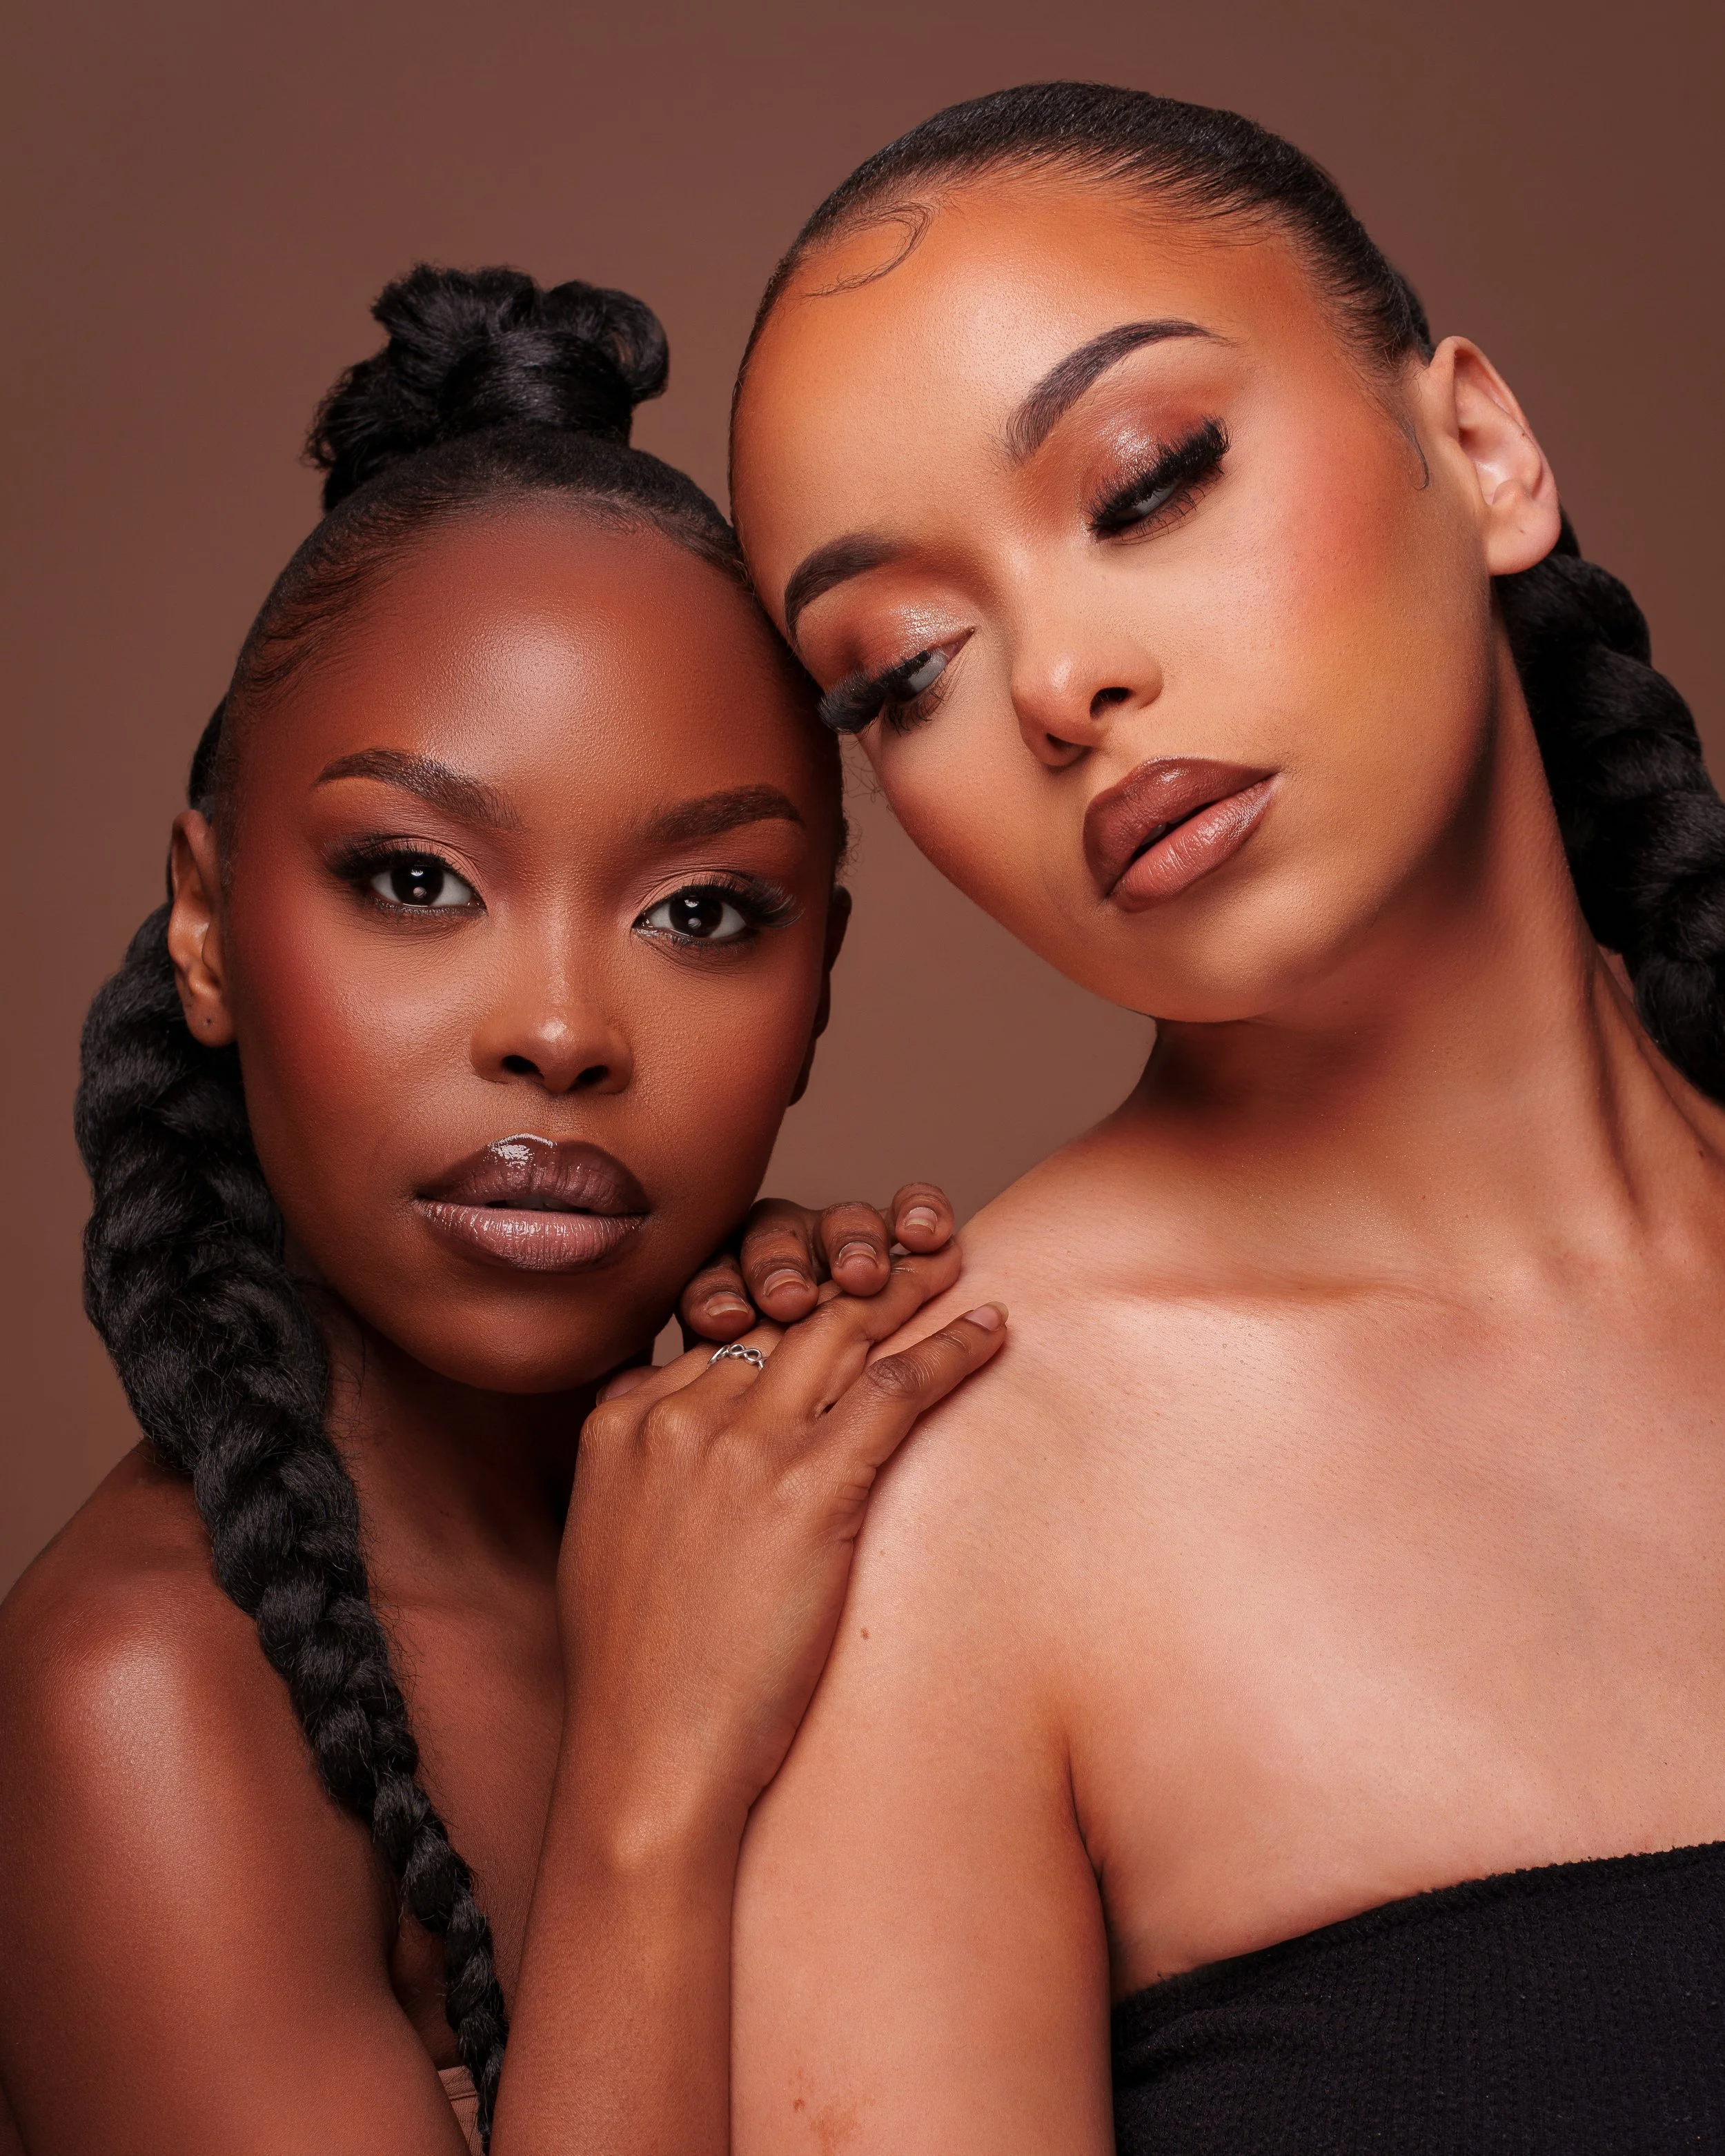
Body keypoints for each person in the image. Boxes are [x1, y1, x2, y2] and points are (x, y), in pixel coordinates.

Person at [725, 83, 1725, 2151]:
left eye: (1144, 481)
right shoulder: (941, 1492)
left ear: (1480, 447)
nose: (1057, 682)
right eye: (899, 668)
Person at [0, 264, 1009, 2156]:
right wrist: (649, 1776)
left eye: (702, 912)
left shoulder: (827, 1483)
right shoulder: (142, 1702)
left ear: (818, 988)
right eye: (414, 879)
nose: (558, 1029)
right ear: (207, 922)